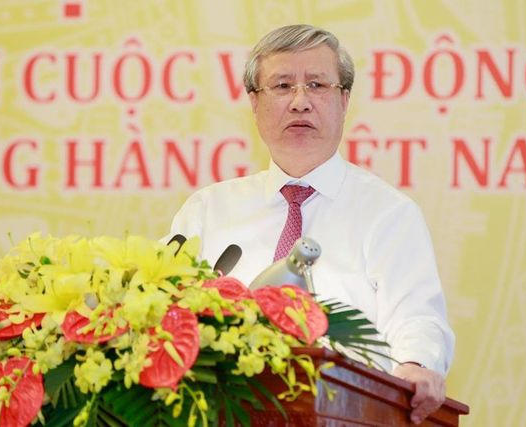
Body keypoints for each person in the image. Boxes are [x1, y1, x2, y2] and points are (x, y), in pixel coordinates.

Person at [166, 24, 454, 425]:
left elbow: (418, 316)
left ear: (344, 100)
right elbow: (162, 308)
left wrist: (416, 363)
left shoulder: (389, 214)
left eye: (317, 85)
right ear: (254, 103)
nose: (300, 102)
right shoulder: (207, 211)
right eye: (282, 86)